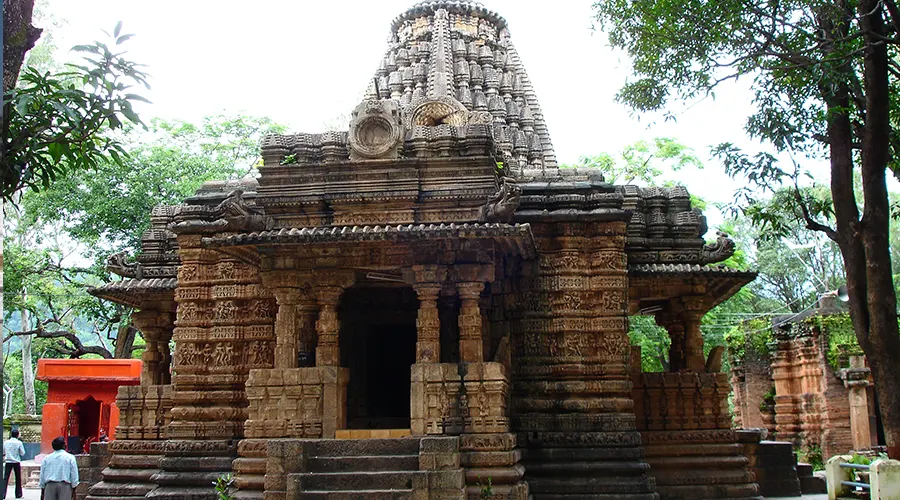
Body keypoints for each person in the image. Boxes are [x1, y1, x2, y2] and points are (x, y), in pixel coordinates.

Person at [2, 429, 25, 499]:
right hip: (16, 462)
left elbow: (3, 452)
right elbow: (22, 453)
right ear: (17, 435)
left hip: (8, 461)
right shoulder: (19, 443)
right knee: (18, 478)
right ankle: (18, 494)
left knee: (5, 478)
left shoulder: (6, 442)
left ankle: (3, 494)